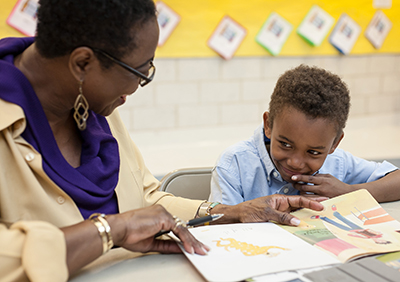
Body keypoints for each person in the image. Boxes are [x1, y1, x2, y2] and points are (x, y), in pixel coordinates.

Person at [0, 1, 327, 281]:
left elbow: (145, 199)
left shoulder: (90, 102)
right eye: (140, 71)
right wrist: (109, 231)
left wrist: (231, 212)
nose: (140, 86)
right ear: (83, 63)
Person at [209, 65, 400, 205]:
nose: (296, 163)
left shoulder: (338, 164)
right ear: (268, 125)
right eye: (285, 144)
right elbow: (219, 224)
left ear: (334, 143)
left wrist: (349, 191)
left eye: (314, 152)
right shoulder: (234, 164)